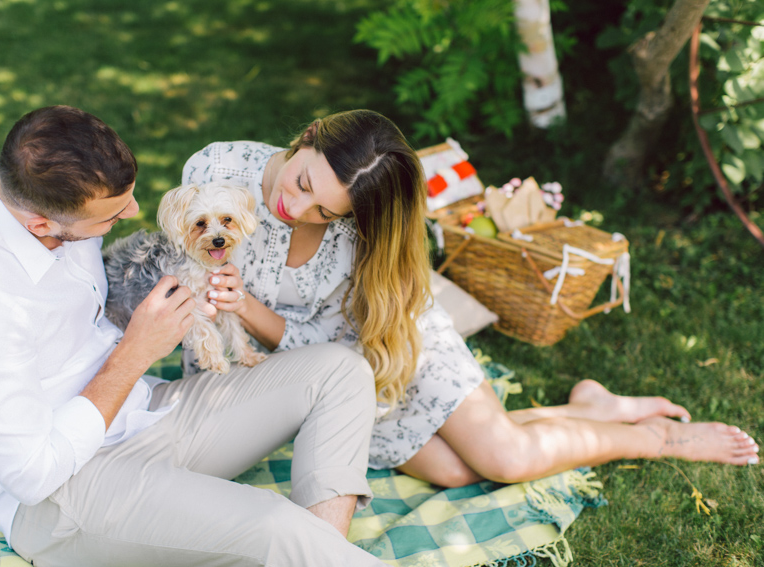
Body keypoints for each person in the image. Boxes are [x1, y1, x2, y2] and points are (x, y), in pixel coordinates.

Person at [181, 108, 759, 489]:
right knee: (456, 469)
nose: (298, 209)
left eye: (325, 212)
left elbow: (342, 339)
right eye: (304, 185)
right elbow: (185, 279)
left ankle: (657, 438)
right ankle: (592, 411)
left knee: (505, 460)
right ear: (308, 137)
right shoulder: (217, 171)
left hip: (383, 342)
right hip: (313, 373)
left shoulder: (364, 234)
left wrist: (248, 310)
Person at [0, 105, 390, 567]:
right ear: (40, 225)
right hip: (67, 493)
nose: (134, 213)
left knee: (341, 369)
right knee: (276, 526)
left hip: (147, 414)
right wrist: (137, 350)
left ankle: (316, 554)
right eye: (112, 217)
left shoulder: (41, 181)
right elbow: (32, 476)